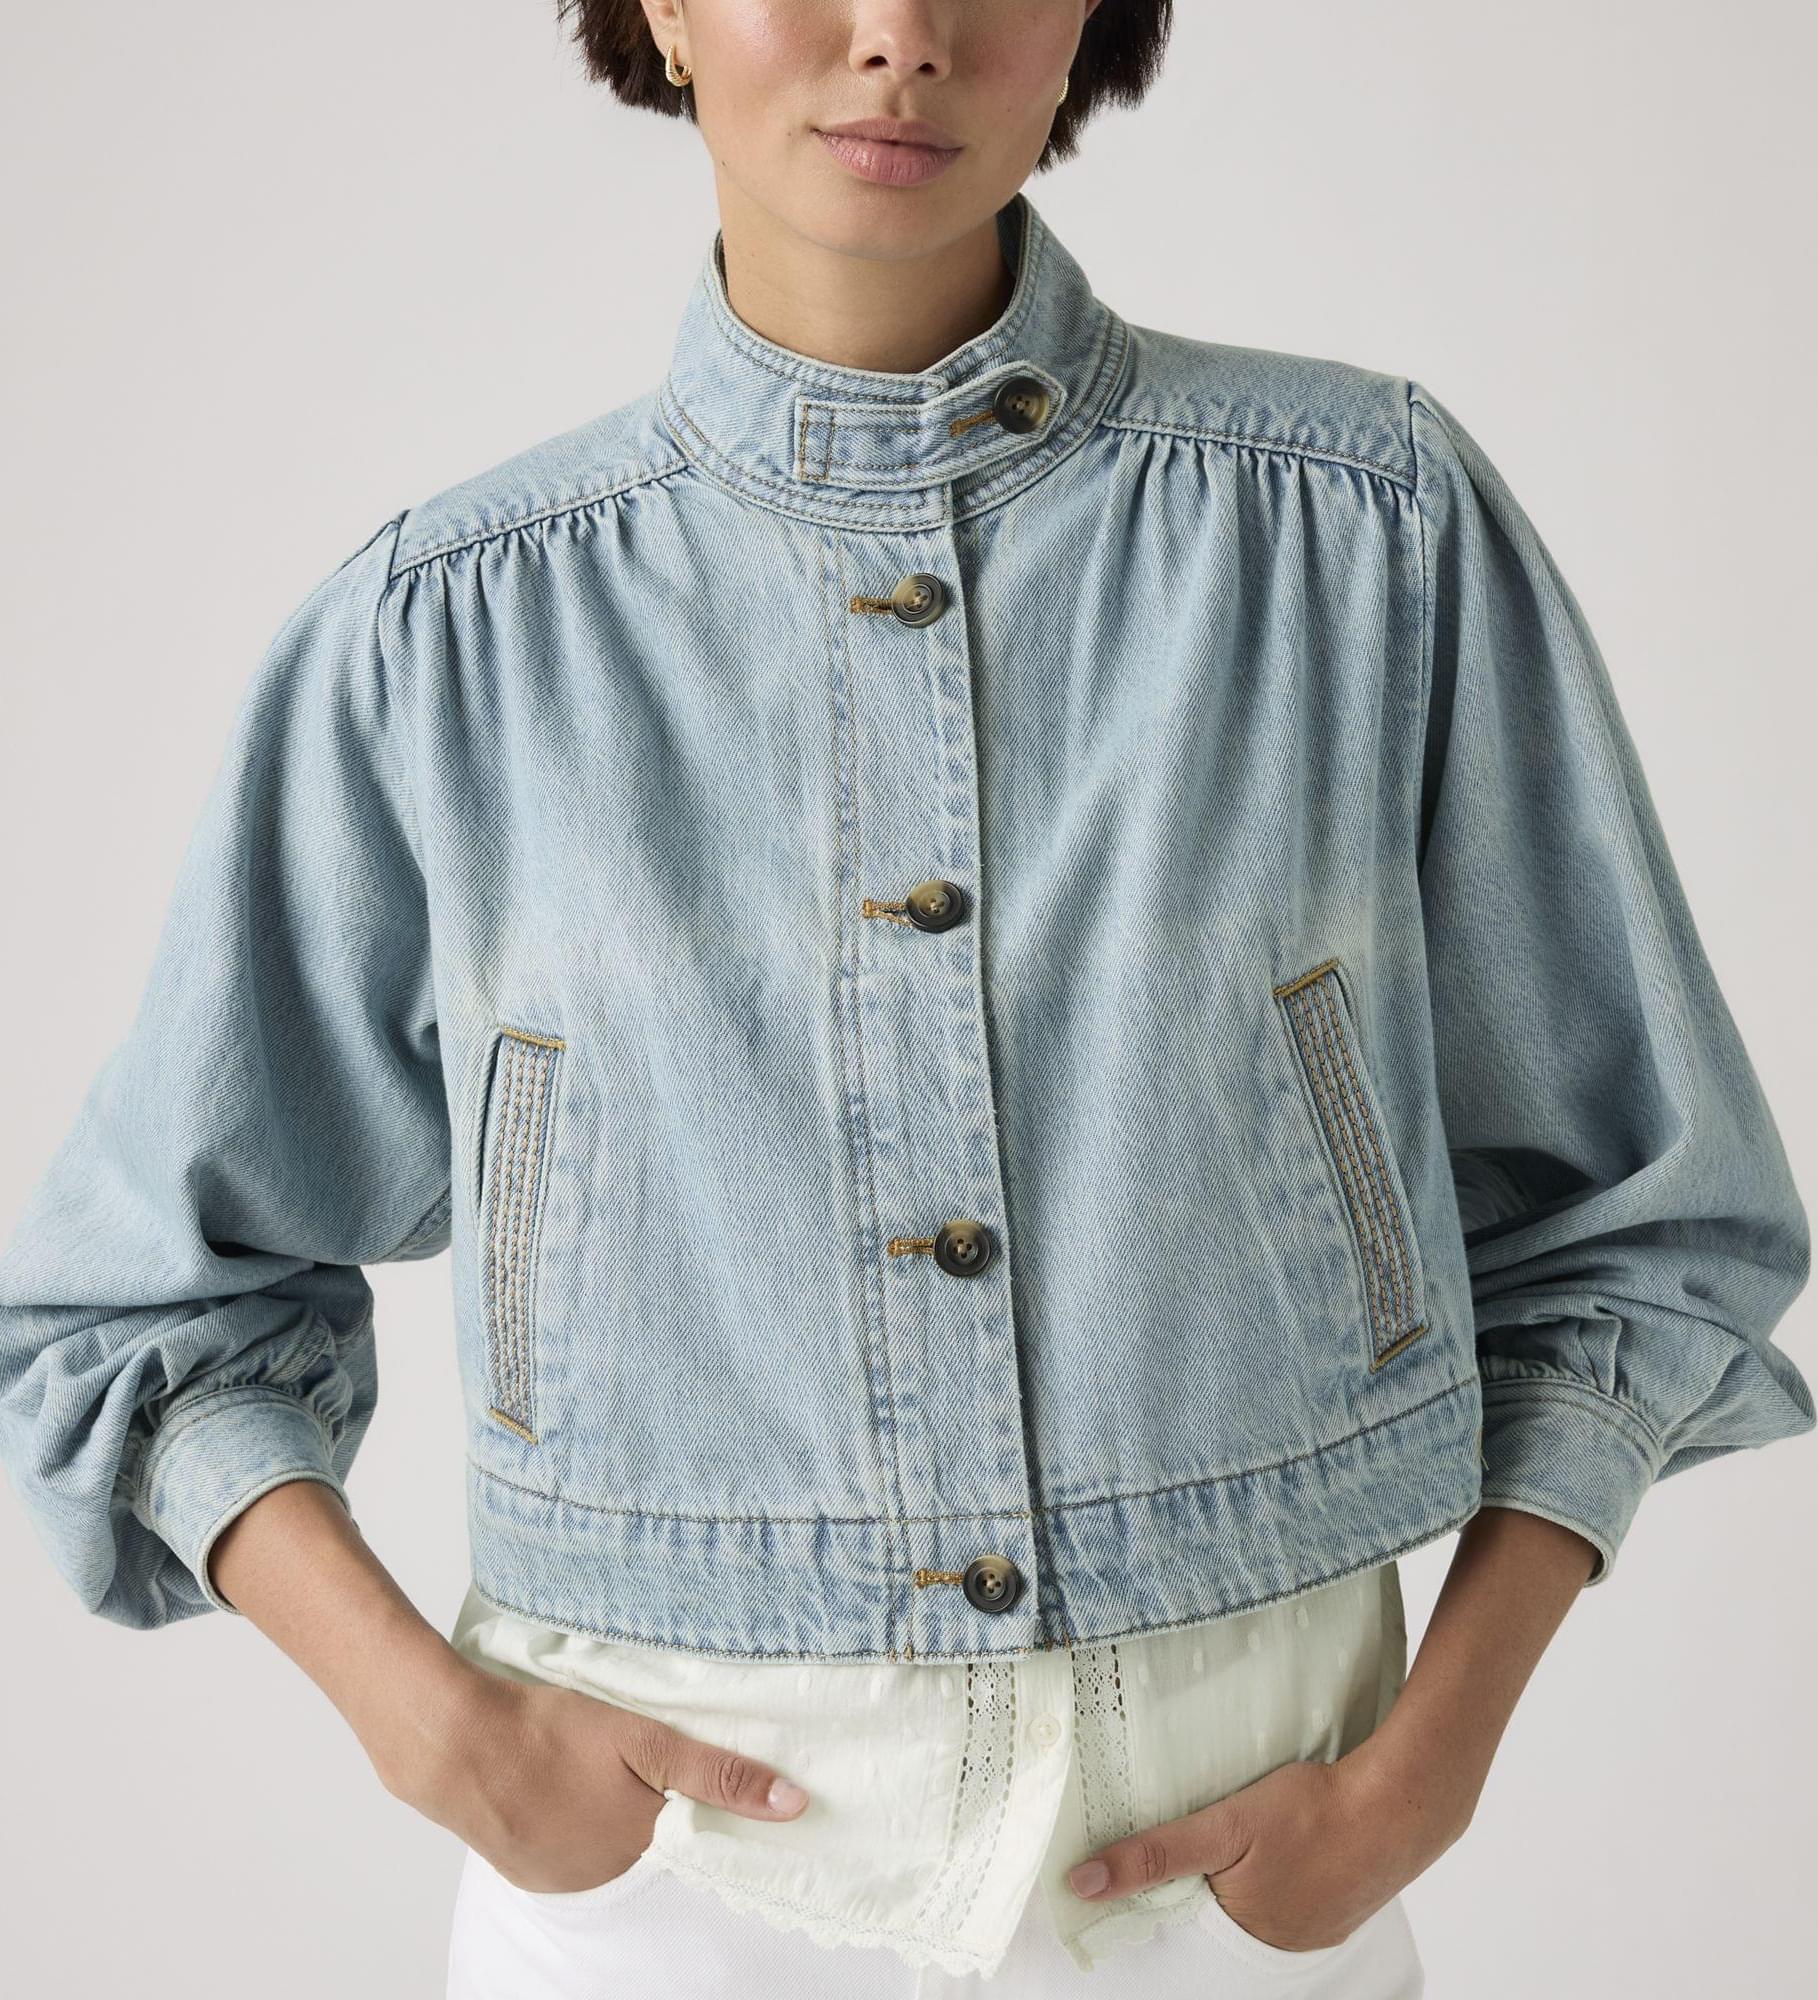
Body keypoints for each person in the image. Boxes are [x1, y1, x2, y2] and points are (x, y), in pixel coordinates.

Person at [1, 3, 1810, 1995]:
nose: (900, 37)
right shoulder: (452, 635)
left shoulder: (1358, 531)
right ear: (664, 14)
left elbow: (1646, 1226)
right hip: (666, 1892)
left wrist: (1422, 1777)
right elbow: (142, 1303)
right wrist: (437, 1735)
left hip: (1241, 1873)